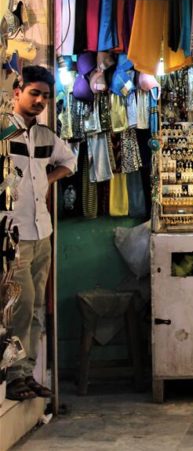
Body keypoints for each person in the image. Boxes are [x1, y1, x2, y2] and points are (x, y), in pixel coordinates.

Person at [5, 66, 77, 402]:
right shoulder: (4, 131)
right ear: (17, 91)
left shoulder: (46, 136)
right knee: (19, 304)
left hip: (42, 231)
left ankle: (27, 371)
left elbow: (70, 160)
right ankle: (14, 373)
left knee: (35, 306)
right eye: (34, 93)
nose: (40, 101)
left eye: (45, 96)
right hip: (13, 234)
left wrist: (48, 180)